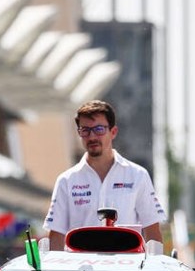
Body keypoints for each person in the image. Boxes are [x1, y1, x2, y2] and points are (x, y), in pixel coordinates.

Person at [43, 100, 165, 251]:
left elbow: (152, 230)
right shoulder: (66, 180)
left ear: (113, 132)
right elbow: (56, 236)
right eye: (85, 130)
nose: (92, 136)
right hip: (81, 270)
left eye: (99, 129)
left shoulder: (138, 175)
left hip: (127, 269)